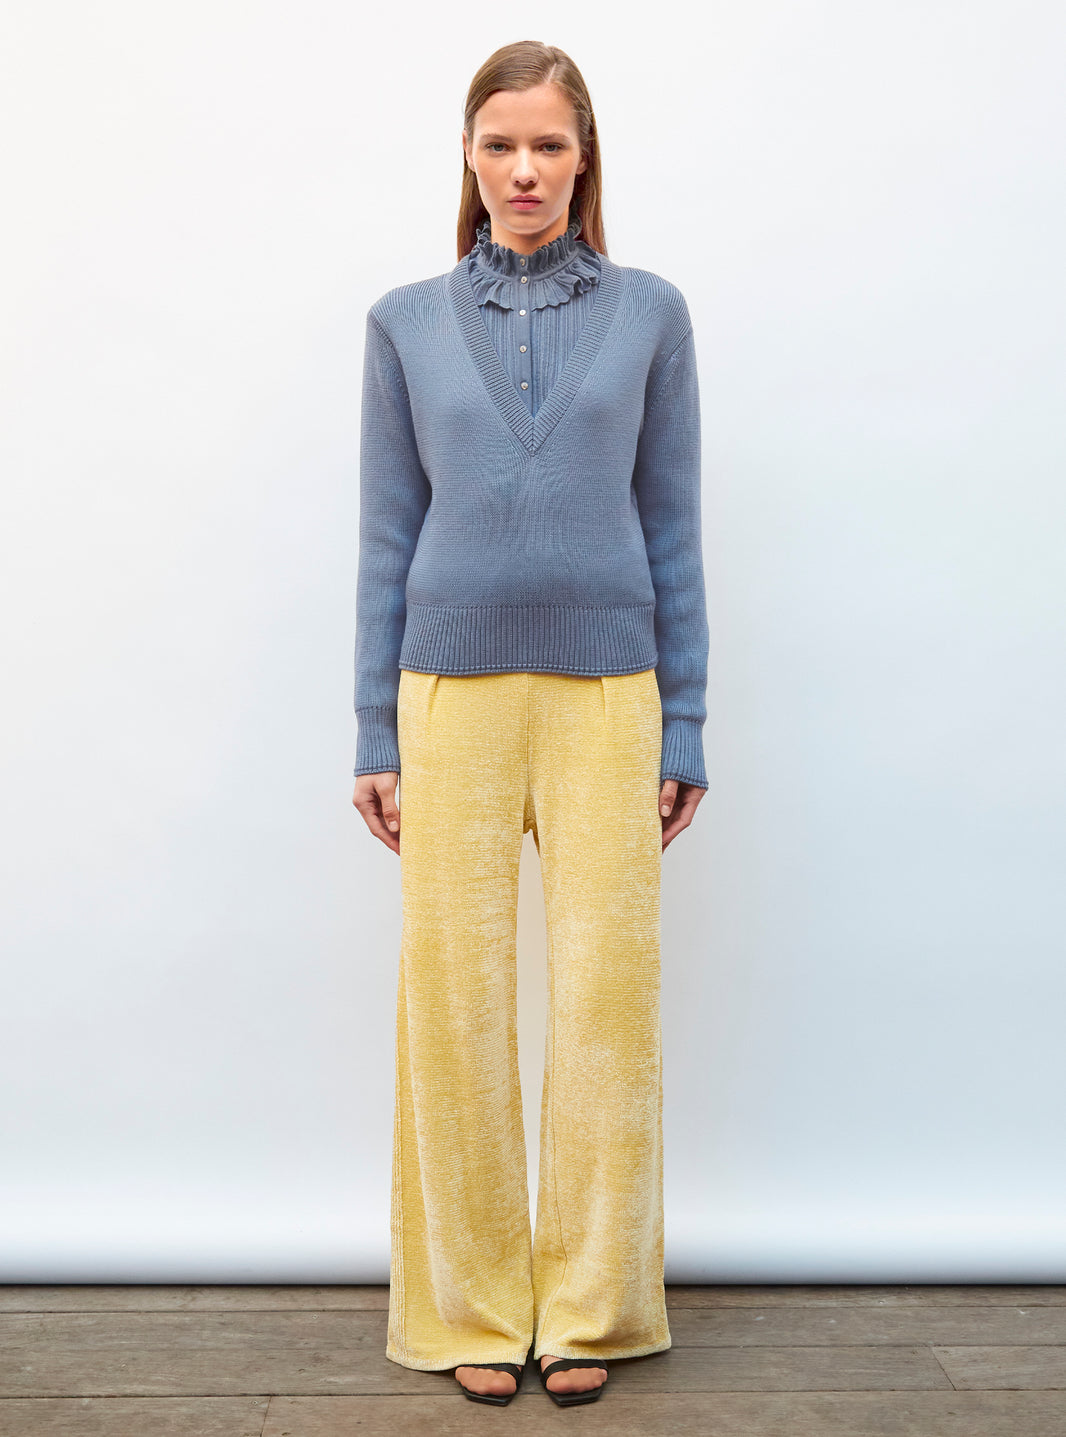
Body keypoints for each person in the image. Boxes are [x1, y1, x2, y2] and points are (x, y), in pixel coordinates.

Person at [351, 40, 709, 1409]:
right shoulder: (403, 322)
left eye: (548, 145)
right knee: (454, 1002)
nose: (522, 170)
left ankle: (592, 1308)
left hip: (608, 694)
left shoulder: (652, 314)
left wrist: (684, 720)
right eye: (499, 144)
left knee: (606, 1001)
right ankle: (471, 1307)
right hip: (446, 695)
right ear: (467, 153)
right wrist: (372, 730)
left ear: (582, 156)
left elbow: (671, 527)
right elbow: (387, 536)